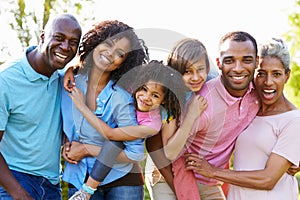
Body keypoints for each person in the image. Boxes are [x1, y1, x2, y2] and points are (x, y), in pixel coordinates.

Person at [185, 38, 300, 200]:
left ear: (287, 76)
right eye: (261, 73)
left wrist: (212, 171)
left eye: (276, 74)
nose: (268, 82)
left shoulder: (293, 119)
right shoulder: (250, 104)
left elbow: (268, 179)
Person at [160, 31, 261, 200]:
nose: (238, 68)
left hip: (209, 179)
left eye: (247, 60)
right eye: (229, 60)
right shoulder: (196, 103)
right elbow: (167, 153)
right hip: (170, 170)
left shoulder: (257, 93)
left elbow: (283, 112)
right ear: (219, 63)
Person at [67, 60, 188, 200]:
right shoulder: (131, 90)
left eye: (155, 95)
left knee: (113, 145)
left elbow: (110, 134)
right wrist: (71, 69)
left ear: (164, 101)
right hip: (102, 152)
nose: (146, 97)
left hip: (120, 145)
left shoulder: (152, 125)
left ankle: (87, 190)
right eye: (144, 89)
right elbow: (95, 69)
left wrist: (82, 107)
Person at [61, 20, 150, 200]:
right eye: (107, 44)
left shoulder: (121, 97)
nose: (110, 54)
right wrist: (65, 144)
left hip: (122, 181)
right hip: (78, 176)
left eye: (120, 54)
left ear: (123, 63)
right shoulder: (67, 82)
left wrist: (86, 149)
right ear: (95, 43)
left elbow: (135, 152)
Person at [0, 14, 82, 199]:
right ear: (43, 37)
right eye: (59, 38)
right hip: (13, 181)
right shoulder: (6, 80)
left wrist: (66, 139)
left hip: (52, 184)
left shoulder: (63, 78)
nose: (65, 47)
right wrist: (18, 193)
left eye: (73, 42)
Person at [145, 38, 219, 200]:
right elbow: (162, 149)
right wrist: (191, 115)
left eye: (200, 69)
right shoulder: (168, 97)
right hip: (164, 170)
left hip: (193, 169)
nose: (195, 77)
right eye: (186, 71)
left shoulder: (212, 84)